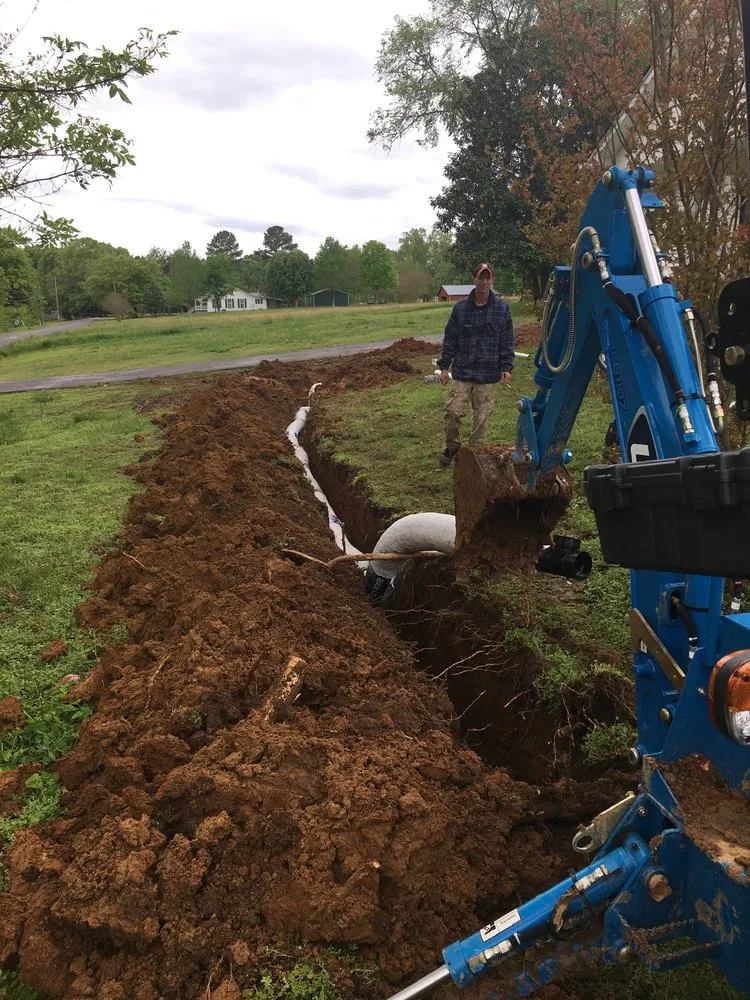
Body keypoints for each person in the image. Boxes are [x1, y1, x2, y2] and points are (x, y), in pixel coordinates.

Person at [436, 263, 515, 468]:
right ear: (474, 280)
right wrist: (444, 366)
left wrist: (507, 366)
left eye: (488, 278)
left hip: (488, 374)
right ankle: (452, 447)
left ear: (492, 280)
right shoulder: (461, 308)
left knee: (481, 420)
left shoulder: (501, 308)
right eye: (481, 278)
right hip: (463, 371)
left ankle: (473, 456)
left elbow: (507, 340)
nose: (484, 282)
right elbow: (450, 338)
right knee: (452, 412)